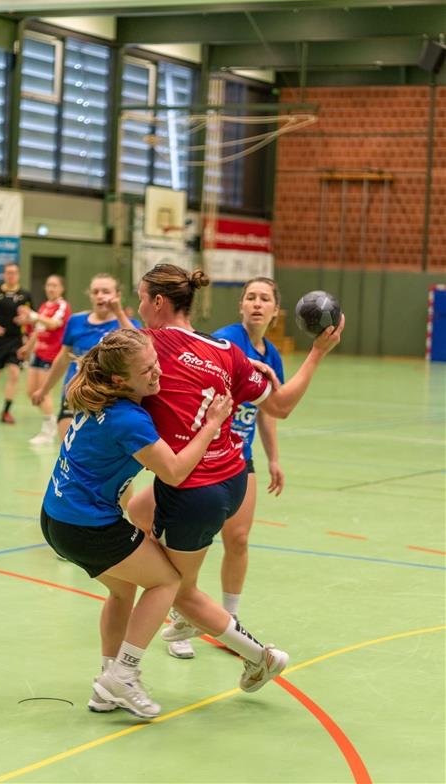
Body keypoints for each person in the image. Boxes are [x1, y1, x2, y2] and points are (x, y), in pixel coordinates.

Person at [127, 263, 344, 691]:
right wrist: (317, 353)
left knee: (176, 588)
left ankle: (257, 656)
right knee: (135, 511)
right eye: (251, 297)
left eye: (139, 297)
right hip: (229, 474)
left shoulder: (148, 346)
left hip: (195, 482)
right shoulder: (225, 348)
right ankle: (182, 616)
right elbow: (279, 406)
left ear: (157, 302)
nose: (137, 307)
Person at [40, 329, 233, 719]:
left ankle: (107, 682)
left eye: (155, 362)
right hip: (86, 525)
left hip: (56, 517)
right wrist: (211, 425)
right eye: (147, 370)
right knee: (166, 581)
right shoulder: (128, 419)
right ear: (119, 380)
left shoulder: (102, 399)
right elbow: (175, 471)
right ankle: (124, 675)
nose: (157, 373)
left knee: (122, 592)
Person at [168, 276, 285, 659]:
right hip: (206, 453)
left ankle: (227, 623)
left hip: (241, 453)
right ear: (240, 306)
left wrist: (274, 458)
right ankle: (181, 615)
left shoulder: (273, 355)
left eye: (264, 299)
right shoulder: (224, 340)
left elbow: (269, 409)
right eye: (250, 297)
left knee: (238, 539)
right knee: (195, 540)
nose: (256, 303)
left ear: (275, 310)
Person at [32, 273, 140, 442]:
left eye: (106, 291)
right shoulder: (76, 321)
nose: (100, 296)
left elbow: (138, 347)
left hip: (108, 401)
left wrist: (119, 313)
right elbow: (62, 358)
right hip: (74, 397)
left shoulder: (127, 324)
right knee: (68, 454)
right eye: (95, 292)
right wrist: (44, 390)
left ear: (117, 295)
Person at [15, 275, 71, 445]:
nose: (51, 288)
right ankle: (51, 420)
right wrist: (27, 348)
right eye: (48, 285)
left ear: (61, 288)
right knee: (31, 392)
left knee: (43, 391)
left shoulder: (62, 306)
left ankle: (48, 431)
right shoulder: (44, 307)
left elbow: (53, 324)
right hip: (38, 354)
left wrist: (32, 315)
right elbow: (38, 330)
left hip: (53, 355)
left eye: (54, 285)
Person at [0, 263, 33, 424]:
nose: (11, 275)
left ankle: (6, 411)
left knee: (14, 373)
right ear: (4, 275)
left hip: (16, 339)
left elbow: (32, 315)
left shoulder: (25, 295)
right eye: (8, 273)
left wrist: (26, 319)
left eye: (14, 273)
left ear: (19, 275)